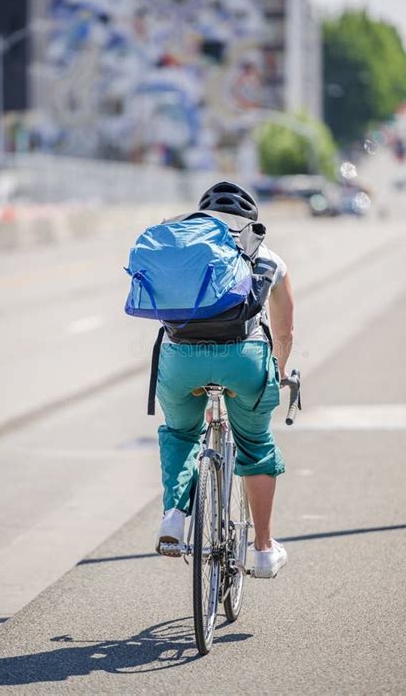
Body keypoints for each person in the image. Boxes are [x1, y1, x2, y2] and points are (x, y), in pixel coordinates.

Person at [155, 181, 294, 578]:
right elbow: (284, 333)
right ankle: (264, 551)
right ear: (251, 220)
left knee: (182, 433)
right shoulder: (268, 256)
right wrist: (278, 375)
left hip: (181, 360)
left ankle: (174, 518)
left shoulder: (183, 248)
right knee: (255, 444)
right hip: (244, 361)